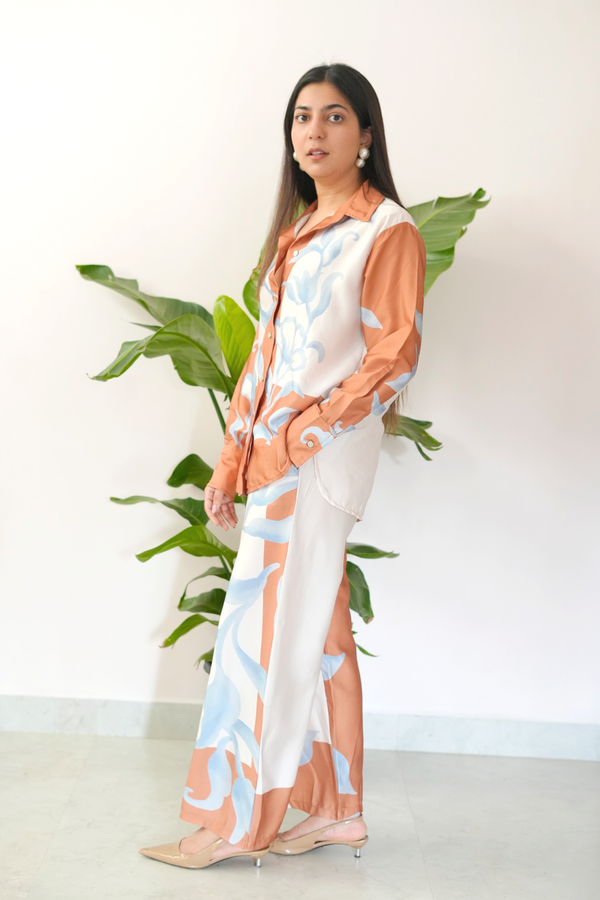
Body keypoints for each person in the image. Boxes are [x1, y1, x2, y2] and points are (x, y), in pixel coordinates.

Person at [139, 61, 426, 870]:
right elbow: (264, 358)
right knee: (323, 635)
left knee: (268, 641)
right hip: (270, 465)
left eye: (335, 117)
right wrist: (232, 457)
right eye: (303, 117)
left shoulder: (385, 230)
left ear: (366, 134)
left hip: (312, 470)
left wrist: (298, 439)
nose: (314, 132)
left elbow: (393, 356)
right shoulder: (297, 233)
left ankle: (241, 824)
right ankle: (339, 811)